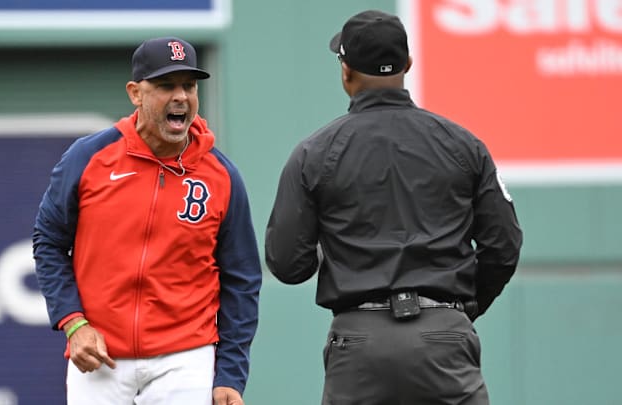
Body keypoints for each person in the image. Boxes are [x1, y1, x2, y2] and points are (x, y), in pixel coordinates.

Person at [265, 10, 523, 405]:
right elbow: (503, 247)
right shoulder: (463, 145)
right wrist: (458, 311)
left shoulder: (314, 153)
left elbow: (287, 263)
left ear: (346, 71)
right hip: (445, 337)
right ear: (407, 65)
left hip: (360, 343)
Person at [33, 36, 262, 405]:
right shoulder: (88, 158)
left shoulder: (221, 175)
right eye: (165, 85)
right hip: (101, 357)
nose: (181, 97)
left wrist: (231, 375)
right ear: (135, 93)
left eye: (189, 86)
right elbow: (49, 241)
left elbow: (242, 278)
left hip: (186, 356)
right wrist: (73, 322)